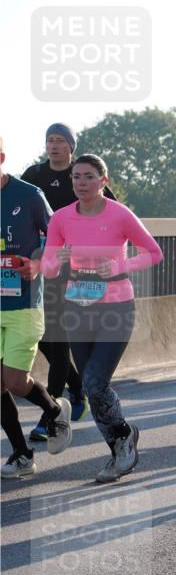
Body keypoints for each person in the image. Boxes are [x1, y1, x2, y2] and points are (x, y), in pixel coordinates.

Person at [41, 154, 163, 483]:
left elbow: (154, 252)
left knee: (95, 380)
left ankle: (122, 439)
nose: (81, 183)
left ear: (103, 181)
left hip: (115, 307)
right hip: (77, 307)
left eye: (88, 177)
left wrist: (121, 266)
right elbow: (47, 268)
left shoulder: (120, 214)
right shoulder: (62, 219)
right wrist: (58, 259)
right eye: (76, 177)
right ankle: (120, 445)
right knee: (94, 387)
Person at [22, 123, 119, 438]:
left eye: (60, 140)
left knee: (59, 339)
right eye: (49, 139)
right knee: (45, 340)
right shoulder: (34, 175)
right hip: (39, 265)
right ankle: (77, 389)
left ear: (71, 146)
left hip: (74, 271)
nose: (54, 145)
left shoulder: (81, 176)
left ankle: (50, 416)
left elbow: (114, 213)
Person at [1, 137, 73, 478]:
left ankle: (55, 409)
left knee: (15, 381)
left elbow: (60, 240)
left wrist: (35, 264)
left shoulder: (28, 195)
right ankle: (21, 453)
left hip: (24, 305)